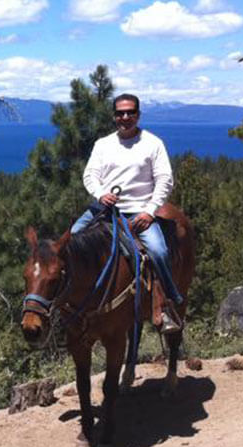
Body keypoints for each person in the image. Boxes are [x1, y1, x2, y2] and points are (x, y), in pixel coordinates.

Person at [73, 93, 184, 333]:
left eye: (130, 112)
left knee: (158, 250)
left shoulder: (153, 143)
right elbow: (90, 174)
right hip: (105, 208)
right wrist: (101, 193)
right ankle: (71, 304)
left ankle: (166, 304)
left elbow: (165, 179)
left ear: (138, 115)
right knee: (71, 239)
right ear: (114, 116)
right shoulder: (103, 144)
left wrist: (150, 212)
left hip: (139, 210)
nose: (125, 117)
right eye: (121, 113)